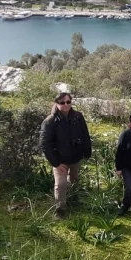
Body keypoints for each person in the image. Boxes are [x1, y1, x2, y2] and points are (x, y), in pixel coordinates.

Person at [39, 92, 92, 220]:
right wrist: (56, 163)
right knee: (61, 184)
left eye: (68, 102)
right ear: (57, 103)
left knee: (74, 180)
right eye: (62, 103)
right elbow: (44, 144)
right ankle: (60, 209)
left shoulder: (78, 117)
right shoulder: (50, 121)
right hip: (60, 160)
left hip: (76, 157)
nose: (66, 105)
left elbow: (85, 134)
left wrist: (87, 151)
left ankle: (74, 198)